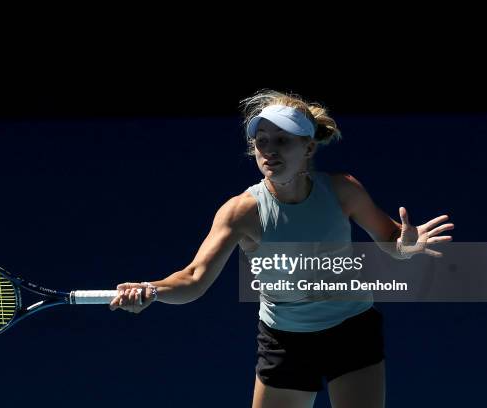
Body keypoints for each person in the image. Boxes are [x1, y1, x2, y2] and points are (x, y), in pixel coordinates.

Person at [109, 89, 454, 408]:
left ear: (308, 148)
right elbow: (194, 278)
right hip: (285, 341)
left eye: (282, 140)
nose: (269, 150)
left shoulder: (342, 190)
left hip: (352, 330)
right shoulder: (241, 212)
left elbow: (391, 241)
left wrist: (405, 245)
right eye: (261, 142)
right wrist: (153, 290)